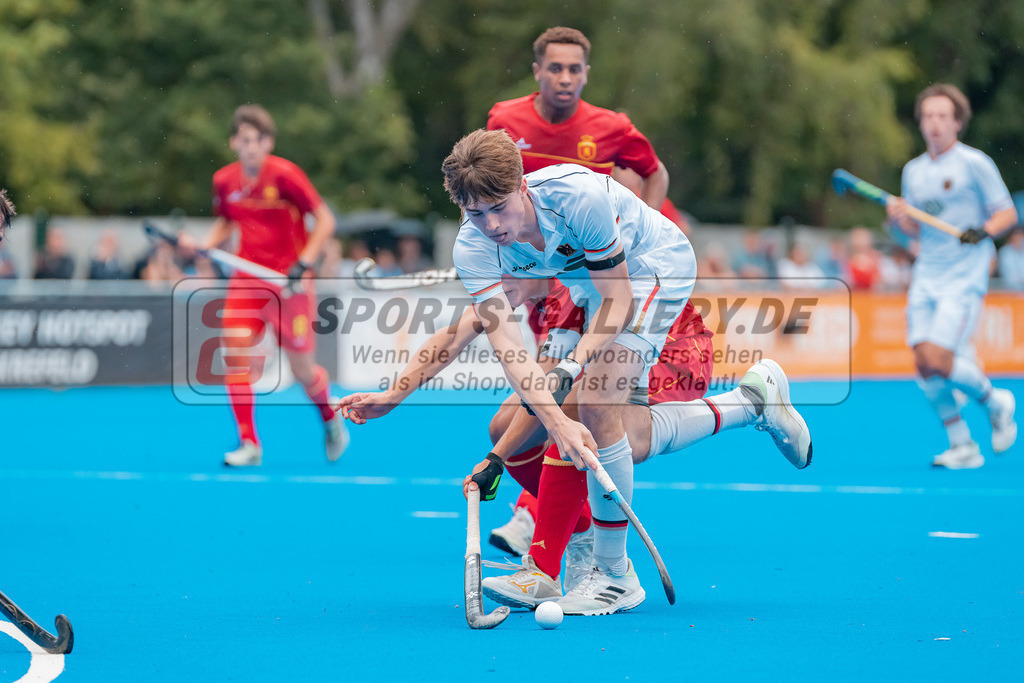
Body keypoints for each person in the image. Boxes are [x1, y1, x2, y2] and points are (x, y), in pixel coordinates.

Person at [434, 127, 791, 615]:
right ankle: (751, 402)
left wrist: (573, 365)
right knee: (617, 433)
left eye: (499, 208)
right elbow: (510, 353)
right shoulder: (473, 249)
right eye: (476, 214)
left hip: (654, 267)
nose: (492, 225)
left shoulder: (577, 198)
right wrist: (531, 431)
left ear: (522, 185)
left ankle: (614, 574)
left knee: (597, 403)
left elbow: (621, 299)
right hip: (590, 286)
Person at [337, 271, 812, 613]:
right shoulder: (515, 272)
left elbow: (553, 392)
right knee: (505, 426)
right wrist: (393, 395)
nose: (500, 295)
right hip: (607, 350)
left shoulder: (564, 282)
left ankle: (543, 568)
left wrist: (493, 463)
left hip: (669, 343)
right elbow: (457, 332)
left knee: (595, 420)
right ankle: (580, 530)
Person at [484, 26, 709, 554]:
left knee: (583, 402)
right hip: (546, 280)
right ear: (536, 70)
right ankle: (555, 522)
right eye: (555, 68)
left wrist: (639, 233)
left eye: (575, 69)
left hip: (600, 277)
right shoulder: (504, 121)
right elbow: (491, 190)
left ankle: (550, 528)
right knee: (548, 401)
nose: (565, 78)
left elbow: (655, 174)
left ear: (586, 73)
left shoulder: (612, 128)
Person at [199, 104, 348, 467]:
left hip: (289, 285)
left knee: (303, 372)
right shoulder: (224, 180)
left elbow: (325, 220)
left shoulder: (285, 176)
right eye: (245, 140)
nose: (252, 147)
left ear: (269, 143)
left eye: (259, 140)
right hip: (247, 283)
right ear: (234, 142)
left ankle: (330, 420)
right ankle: (249, 443)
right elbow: (225, 221)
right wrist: (207, 244)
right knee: (233, 353)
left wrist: (305, 261)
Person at [885, 83, 1017, 469]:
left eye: (943, 116)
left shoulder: (974, 163)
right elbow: (915, 231)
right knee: (924, 364)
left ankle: (997, 402)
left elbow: (1007, 213)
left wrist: (985, 231)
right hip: (928, 273)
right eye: (928, 116)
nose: (934, 124)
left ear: (957, 122)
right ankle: (962, 444)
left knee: (939, 359)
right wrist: (898, 223)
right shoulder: (914, 172)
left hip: (964, 275)